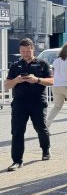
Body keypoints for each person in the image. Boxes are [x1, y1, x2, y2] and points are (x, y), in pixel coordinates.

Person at [5, 38, 54, 170]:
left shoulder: (42, 64)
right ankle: (17, 161)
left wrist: (37, 80)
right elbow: (6, 85)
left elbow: (52, 81)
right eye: (23, 51)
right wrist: (16, 80)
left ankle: (45, 149)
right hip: (19, 102)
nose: (25, 54)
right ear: (20, 51)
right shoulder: (15, 65)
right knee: (17, 131)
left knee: (40, 128)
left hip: (37, 101)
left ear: (33, 49)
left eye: (28, 51)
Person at [46, 42, 67, 131]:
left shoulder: (56, 61)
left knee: (56, 106)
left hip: (56, 86)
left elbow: (53, 74)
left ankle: (46, 125)